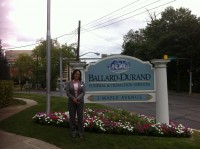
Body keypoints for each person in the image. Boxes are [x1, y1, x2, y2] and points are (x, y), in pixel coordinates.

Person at [66, 69, 85, 138]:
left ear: (80, 76)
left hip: (80, 102)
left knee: (80, 118)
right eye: (76, 74)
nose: (77, 75)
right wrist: (73, 98)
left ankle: (81, 133)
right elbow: (68, 93)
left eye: (78, 74)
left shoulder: (82, 83)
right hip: (71, 102)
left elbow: (83, 92)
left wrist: (77, 99)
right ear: (73, 74)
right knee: (72, 118)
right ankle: (73, 132)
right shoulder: (69, 83)